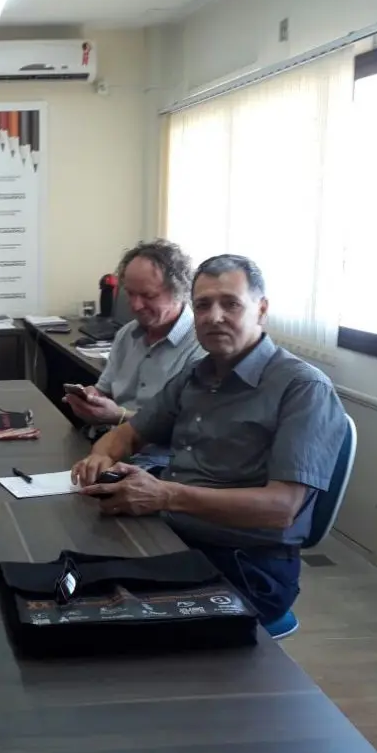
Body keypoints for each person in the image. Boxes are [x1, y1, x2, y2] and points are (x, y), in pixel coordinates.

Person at [71, 254, 347, 626]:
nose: (214, 316)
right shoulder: (195, 375)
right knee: (64, 578)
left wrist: (166, 495)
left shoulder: (303, 388)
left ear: (261, 310)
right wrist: (101, 458)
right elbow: (128, 433)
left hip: (247, 565)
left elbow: (281, 508)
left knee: (100, 620)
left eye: (230, 304)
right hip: (175, 537)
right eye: (203, 305)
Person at [63, 240, 204, 470]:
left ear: (179, 291)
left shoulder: (200, 345)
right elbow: (105, 389)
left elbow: (188, 427)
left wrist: (118, 416)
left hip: (161, 462)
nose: (135, 305)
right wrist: (90, 398)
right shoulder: (128, 333)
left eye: (148, 295)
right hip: (109, 446)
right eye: (130, 293)